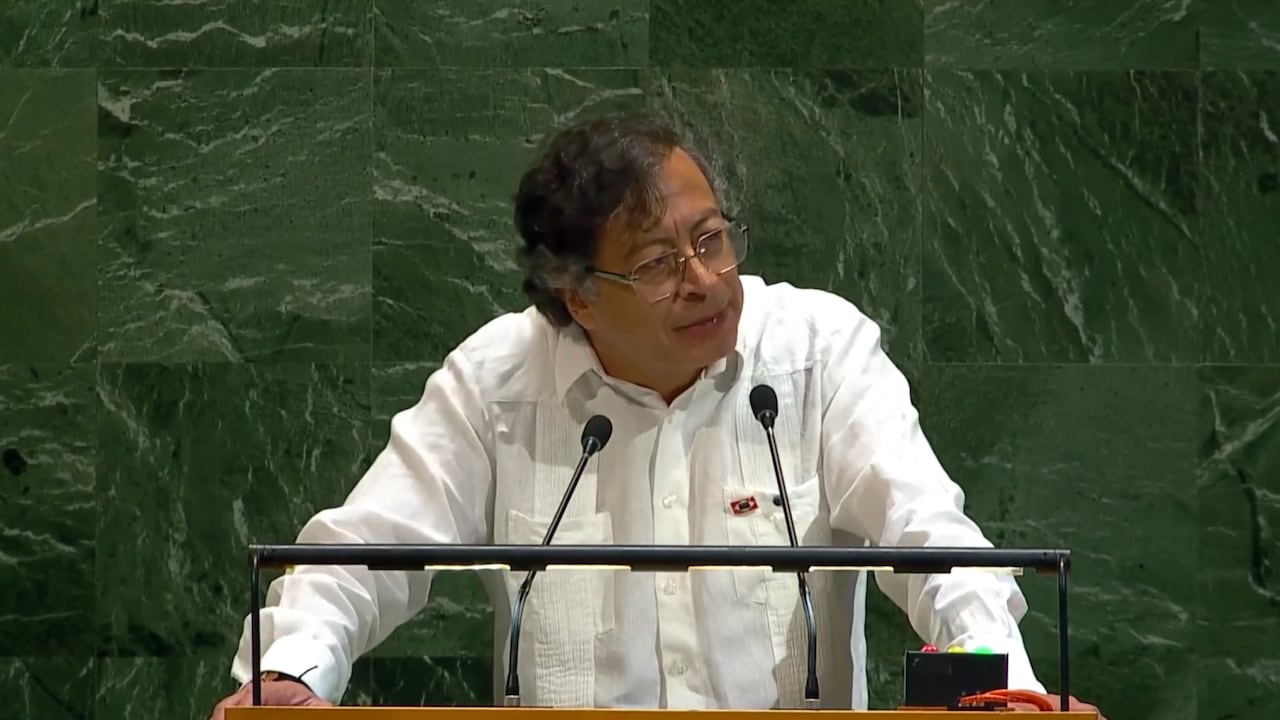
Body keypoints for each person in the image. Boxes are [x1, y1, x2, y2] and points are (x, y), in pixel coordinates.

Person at [210, 113, 1103, 718]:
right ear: (578, 297)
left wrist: (1002, 680)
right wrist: (289, 676)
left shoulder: (818, 351)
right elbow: (357, 556)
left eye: (711, 238)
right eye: (658, 263)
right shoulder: (497, 381)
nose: (707, 279)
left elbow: (930, 539)